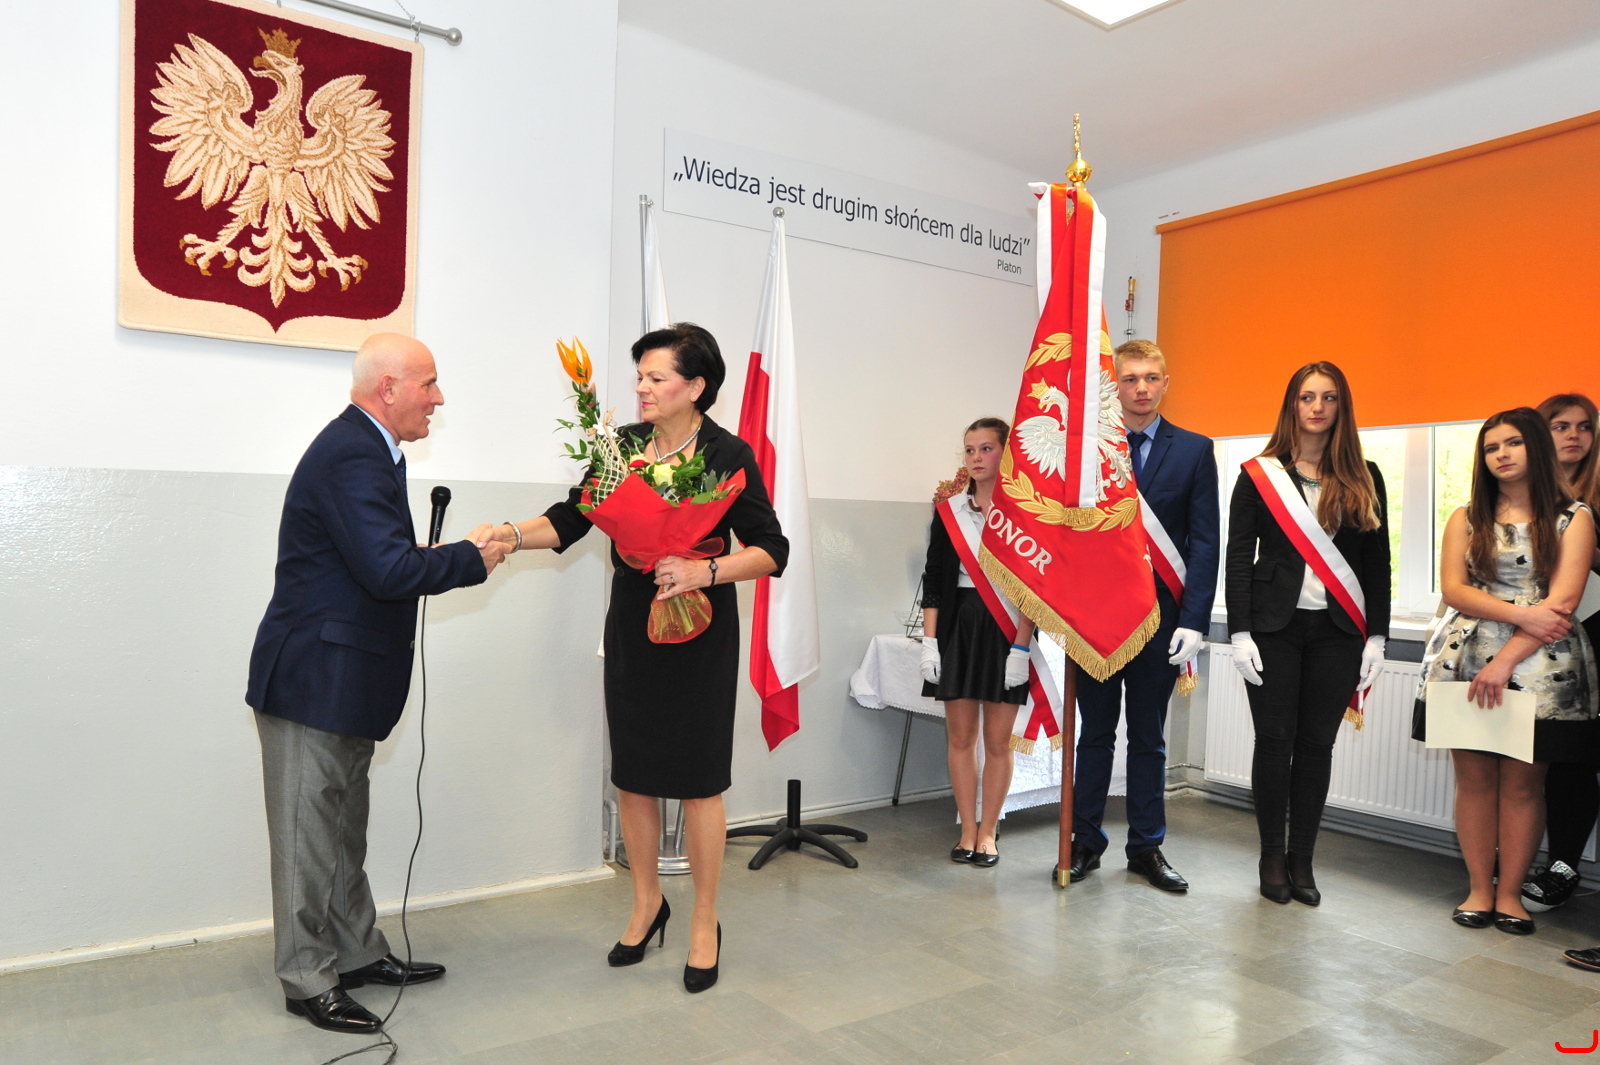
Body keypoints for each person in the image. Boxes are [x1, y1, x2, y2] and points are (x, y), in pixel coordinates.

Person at [493, 323, 787, 993]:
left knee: (700, 779)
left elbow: (772, 549)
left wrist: (703, 570)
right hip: (634, 617)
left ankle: (705, 918)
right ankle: (647, 903)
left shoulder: (727, 454)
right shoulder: (621, 445)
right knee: (634, 774)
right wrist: (510, 534)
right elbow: (572, 518)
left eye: (656, 377)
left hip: (700, 624)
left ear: (696, 386)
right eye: (640, 377)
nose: (642, 388)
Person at [246, 333, 511, 1034]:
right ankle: (307, 978)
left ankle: (355, 952)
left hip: (343, 679)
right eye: (429, 383)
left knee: (340, 832)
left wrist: (435, 555)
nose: (439, 398)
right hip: (314, 680)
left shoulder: (370, 449)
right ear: (387, 388)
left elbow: (370, 559)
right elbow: (387, 572)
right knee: (307, 839)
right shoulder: (353, 453)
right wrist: (467, 558)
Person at [1414, 407, 1596, 935]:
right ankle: (1479, 889)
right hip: (1464, 660)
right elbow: (1455, 590)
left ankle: (1511, 895)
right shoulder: (1465, 517)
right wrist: (1522, 614)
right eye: (1491, 447)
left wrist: (1506, 659)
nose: (1501, 455)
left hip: (1545, 666)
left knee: (1523, 787)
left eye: (1512, 443)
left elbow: (1562, 603)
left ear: (1534, 446)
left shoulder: (1574, 517)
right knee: (1473, 783)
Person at [1226, 361, 1390, 906]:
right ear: (1291, 405)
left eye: (1329, 397)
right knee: (1275, 743)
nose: (1317, 407)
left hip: (1338, 633)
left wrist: (1378, 637)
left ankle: (1302, 858)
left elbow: (1378, 564)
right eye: (1306, 397)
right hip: (1273, 629)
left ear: (1342, 407)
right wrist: (1240, 632)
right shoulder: (1258, 474)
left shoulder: (1366, 475)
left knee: (1318, 746)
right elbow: (1237, 558)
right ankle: (1272, 855)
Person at [1068, 340, 1219, 892]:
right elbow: (1069, 535)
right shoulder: (1088, 451)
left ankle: (1146, 847)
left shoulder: (1195, 450)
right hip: (1098, 618)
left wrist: (1195, 620)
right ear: (1115, 385)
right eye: (1130, 378)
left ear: (1165, 383)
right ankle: (1085, 841)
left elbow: (1205, 542)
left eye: (1151, 378)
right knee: (1095, 736)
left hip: (1163, 620)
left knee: (1149, 739)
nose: (1141, 388)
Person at [918, 417, 1033, 869]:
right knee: (961, 738)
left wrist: (1021, 647)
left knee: (999, 742)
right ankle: (967, 829)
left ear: (1005, 453)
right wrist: (930, 643)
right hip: (959, 628)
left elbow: (1033, 587)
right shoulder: (949, 512)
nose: (976, 458)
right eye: (969, 450)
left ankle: (989, 831)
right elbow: (934, 580)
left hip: (1007, 630)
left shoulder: (1027, 512)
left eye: (986, 449)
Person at [1526, 394, 1600, 914]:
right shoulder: (1515, 494)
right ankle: (1527, 860)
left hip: (1593, 633)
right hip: (1531, 638)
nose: (1574, 436)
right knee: (1541, 758)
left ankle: (1563, 866)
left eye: (1584, 427)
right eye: (1560, 426)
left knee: (1579, 757)